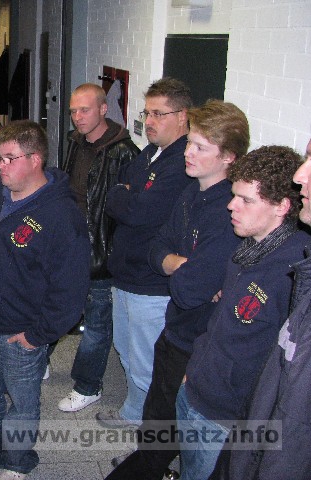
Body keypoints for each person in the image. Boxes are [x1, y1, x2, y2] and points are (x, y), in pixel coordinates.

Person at [106, 100, 249, 479]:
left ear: (229, 157)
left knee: (182, 431)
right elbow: (157, 249)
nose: (188, 152)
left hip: (198, 340)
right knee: (158, 417)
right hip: (176, 328)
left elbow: (188, 289)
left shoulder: (227, 213)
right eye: (190, 143)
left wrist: (181, 269)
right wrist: (183, 265)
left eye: (201, 147)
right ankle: (152, 464)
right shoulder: (191, 192)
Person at [0, 121, 91, 480]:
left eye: (9, 158)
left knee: (22, 405)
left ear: (35, 160)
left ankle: (17, 462)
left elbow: (71, 289)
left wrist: (38, 335)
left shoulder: (61, 215)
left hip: (21, 333)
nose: (0, 165)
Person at [176, 145, 310, 480]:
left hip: (226, 417)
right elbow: (223, 321)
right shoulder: (247, 248)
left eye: (246, 200)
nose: (231, 206)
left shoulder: (294, 272)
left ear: (281, 206)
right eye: (234, 195)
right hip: (195, 388)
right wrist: (194, 369)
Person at [100, 78, 193, 426]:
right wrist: (124, 194)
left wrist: (125, 195)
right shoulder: (150, 153)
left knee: (147, 362)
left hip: (150, 282)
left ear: (182, 116)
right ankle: (135, 411)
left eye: (158, 114)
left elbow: (137, 211)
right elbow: (116, 194)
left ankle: (153, 430)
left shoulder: (181, 163)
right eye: (147, 113)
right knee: (126, 350)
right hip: (126, 273)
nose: (149, 122)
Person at [57, 83, 140, 413]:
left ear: (104, 109)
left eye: (85, 110)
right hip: (70, 244)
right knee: (57, 305)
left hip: (101, 252)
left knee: (96, 324)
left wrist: (113, 252)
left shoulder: (125, 153)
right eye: (73, 111)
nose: (77, 117)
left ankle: (88, 385)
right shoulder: (75, 142)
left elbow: (128, 211)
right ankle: (39, 360)